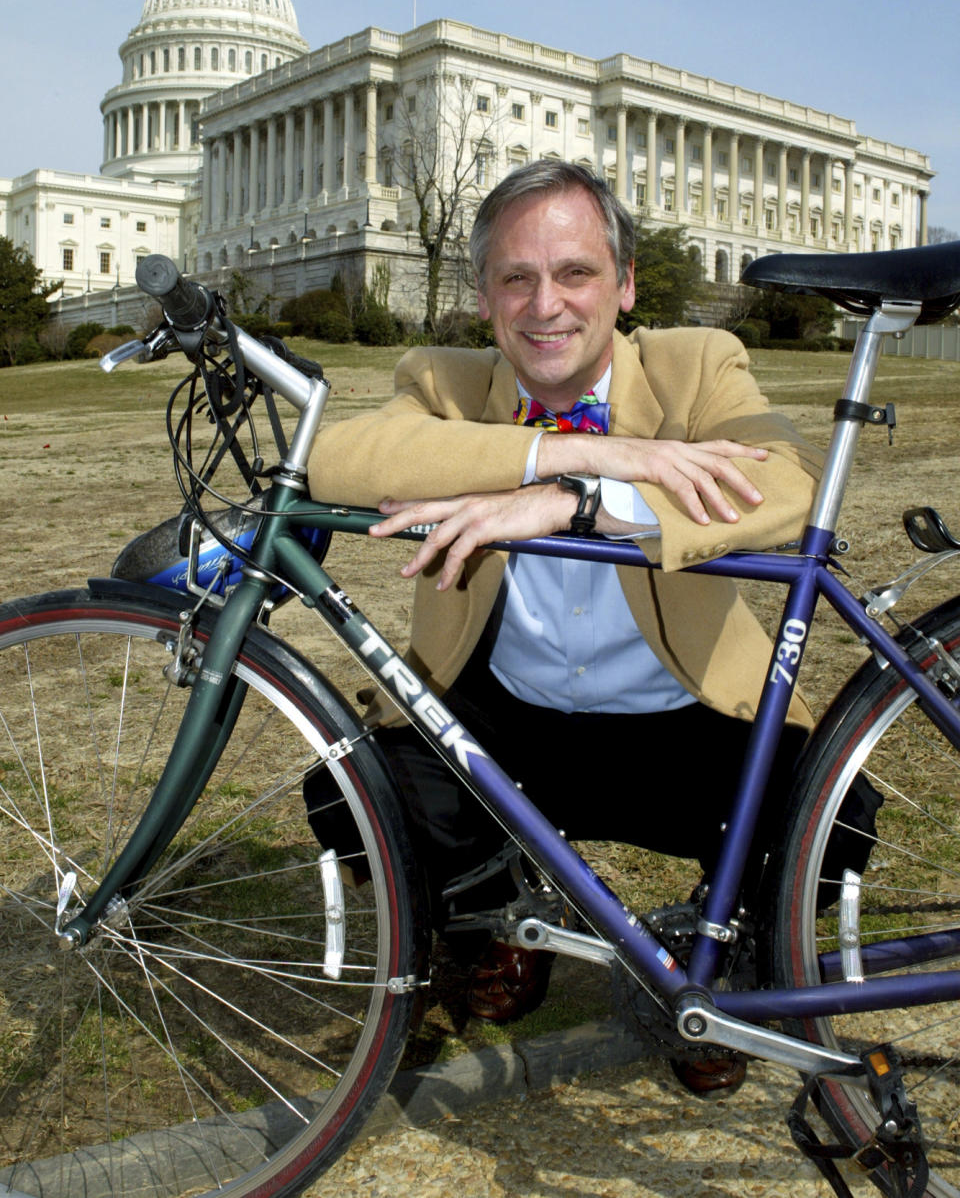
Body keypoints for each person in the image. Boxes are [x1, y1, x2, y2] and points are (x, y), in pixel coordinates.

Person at [305, 159, 823, 1094]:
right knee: (351, 789)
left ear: (624, 285)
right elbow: (338, 457)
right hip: (509, 724)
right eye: (517, 277)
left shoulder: (697, 364)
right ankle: (495, 928)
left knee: (834, 814)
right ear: (483, 295)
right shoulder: (444, 378)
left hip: (682, 719)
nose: (546, 304)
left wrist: (576, 500)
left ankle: (721, 956)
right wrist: (571, 450)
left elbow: (787, 481)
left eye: (576, 273)